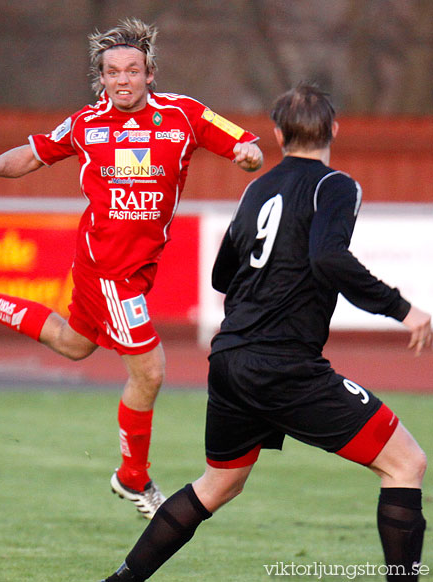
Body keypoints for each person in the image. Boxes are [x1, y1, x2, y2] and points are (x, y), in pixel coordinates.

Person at [0, 17, 263, 519]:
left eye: (132, 70)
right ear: (101, 78)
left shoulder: (183, 115)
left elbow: (236, 140)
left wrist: (246, 154)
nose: (122, 80)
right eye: (112, 72)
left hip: (132, 267)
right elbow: (34, 153)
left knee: (75, 345)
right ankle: (133, 477)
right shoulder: (87, 124)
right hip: (108, 268)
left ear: (150, 74)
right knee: (150, 372)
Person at [99, 82, 430, 580]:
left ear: (277, 134)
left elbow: (220, 275)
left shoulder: (258, 188)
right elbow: (327, 258)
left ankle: (118, 581)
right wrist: (402, 308)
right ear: (334, 129)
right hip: (284, 365)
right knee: (406, 464)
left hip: (230, 358)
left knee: (218, 485)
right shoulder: (335, 185)